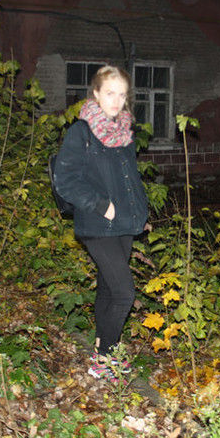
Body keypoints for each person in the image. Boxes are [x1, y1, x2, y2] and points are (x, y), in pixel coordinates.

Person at [52, 65, 150, 381]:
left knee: (109, 288)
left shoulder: (124, 135)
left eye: (122, 94)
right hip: (97, 224)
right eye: (110, 93)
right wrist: (100, 204)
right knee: (125, 293)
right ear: (96, 94)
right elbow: (65, 180)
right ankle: (105, 359)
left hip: (123, 223)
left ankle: (102, 348)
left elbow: (130, 181)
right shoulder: (81, 132)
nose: (116, 100)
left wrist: (140, 214)